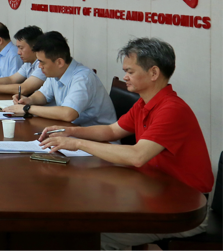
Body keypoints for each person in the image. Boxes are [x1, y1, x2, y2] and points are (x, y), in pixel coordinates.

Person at [37, 38, 213, 250]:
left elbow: (137, 156)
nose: (125, 77)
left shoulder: (171, 110)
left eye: (130, 71)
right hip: (153, 191)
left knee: (90, 238)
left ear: (154, 73)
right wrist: (71, 131)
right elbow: (112, 130)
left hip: (184, 208)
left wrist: (78, 143)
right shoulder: (144, 103)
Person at [3, 32, 116, 127]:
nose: (39, 66)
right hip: (72, 133)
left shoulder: (83, 78)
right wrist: (28, 100)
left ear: (59, 62)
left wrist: (27, 108)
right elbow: (42, 95)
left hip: (100, 142)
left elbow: (68, 114)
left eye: (42, 62)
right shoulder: (55, 73)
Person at [0, 26, 46, 95]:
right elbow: (11, 79)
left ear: (34, 47)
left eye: (21, 48)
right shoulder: (28, 63)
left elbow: (24, 88)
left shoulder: (43, 65)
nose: (18, 52)